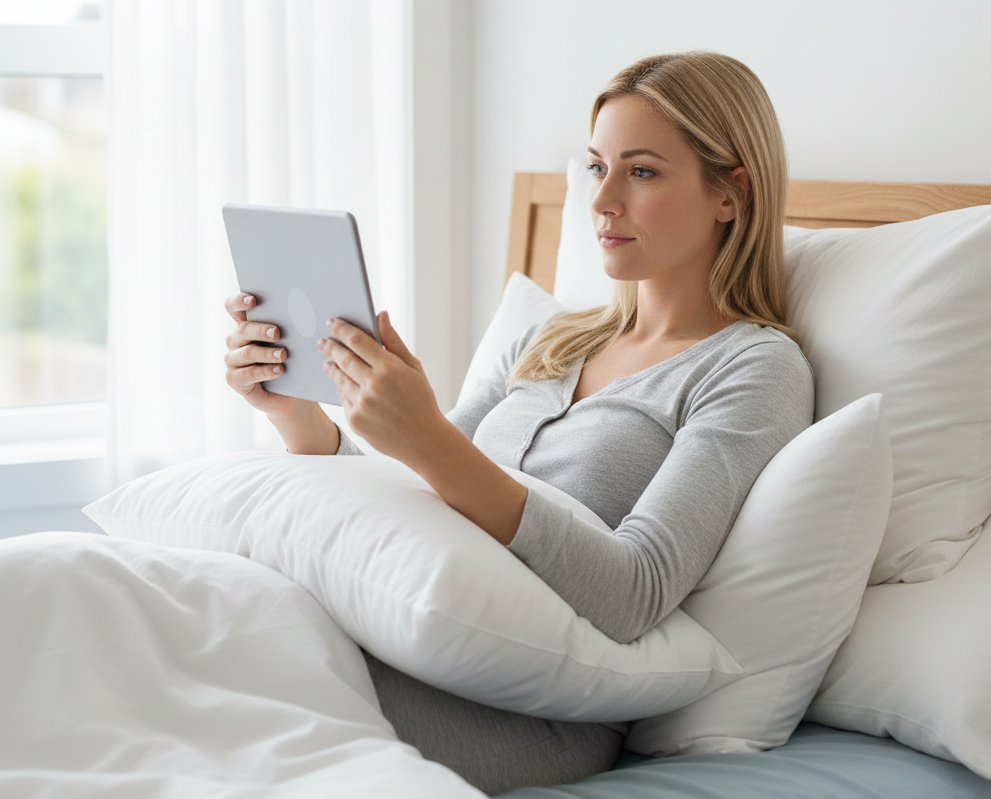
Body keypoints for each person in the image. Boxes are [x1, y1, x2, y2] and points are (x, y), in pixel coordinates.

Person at [223, 51, 814, 794]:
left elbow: (635, 591)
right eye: (597, 167)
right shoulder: (553, 337)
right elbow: (413, 493)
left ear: (731, 194)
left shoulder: (752, 369)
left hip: (520, 710)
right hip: (393, 625)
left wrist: (430, 439)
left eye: (642, 172)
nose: (601, 201)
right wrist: (300, 419)